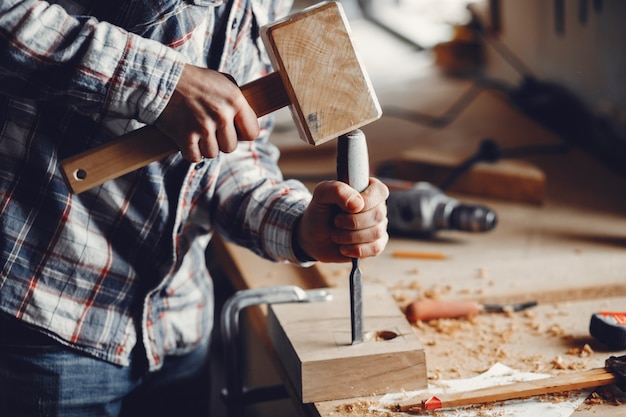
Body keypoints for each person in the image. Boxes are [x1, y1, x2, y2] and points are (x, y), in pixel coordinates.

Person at [0, 1, 389, 416]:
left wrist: (299, 228)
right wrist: (161, 83)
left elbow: (232, 157)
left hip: (179, 322)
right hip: (50, 314)